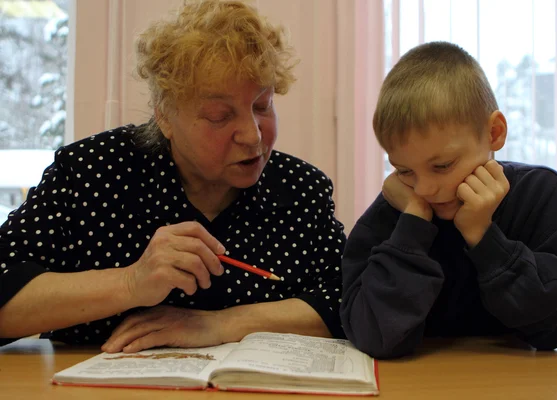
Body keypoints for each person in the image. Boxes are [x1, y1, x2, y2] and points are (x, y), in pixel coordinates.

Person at [0, 0, 346, 352]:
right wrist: (130, 282)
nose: (253, 135)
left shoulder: (300, 190)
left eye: (262, 105)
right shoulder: (91, 172)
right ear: (164, 115)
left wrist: (221, 324)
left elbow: (349, 300)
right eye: (219, 116)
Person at [340, 41, 557, 359]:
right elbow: (372, 335)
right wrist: (413, 224)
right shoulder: (393, 213)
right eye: (404, 170)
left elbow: (554, 329)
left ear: (494, 133)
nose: (424, 188)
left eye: (442, 166)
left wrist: (483, 236)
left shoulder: (539, 193)